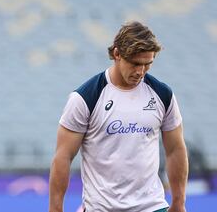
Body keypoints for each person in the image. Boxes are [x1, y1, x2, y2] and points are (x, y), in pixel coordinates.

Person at [49, 21, 188, 212]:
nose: (141, 72)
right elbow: (63, 157)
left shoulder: (162, 95)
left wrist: (179, 203)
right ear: (117, 54)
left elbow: (175, 149)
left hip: (152, 207)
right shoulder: (86, 97)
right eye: (135, 64)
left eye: (148, 64)